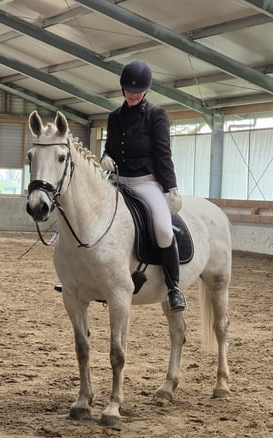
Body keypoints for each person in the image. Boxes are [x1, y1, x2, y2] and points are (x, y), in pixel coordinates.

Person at [100, 60, 186, 312]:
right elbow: (112, 148)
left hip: (146, 182)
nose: (133, 94)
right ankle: (85, 278)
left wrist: (172, 187)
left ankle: (173, 288)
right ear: (122, 88)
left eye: (138, 91)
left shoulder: (156, 115)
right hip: (118, 181)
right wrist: (106, 156)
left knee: (162, 228)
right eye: (129, 89)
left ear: (146, 90)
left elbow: (162, 154)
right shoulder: (114, 117)